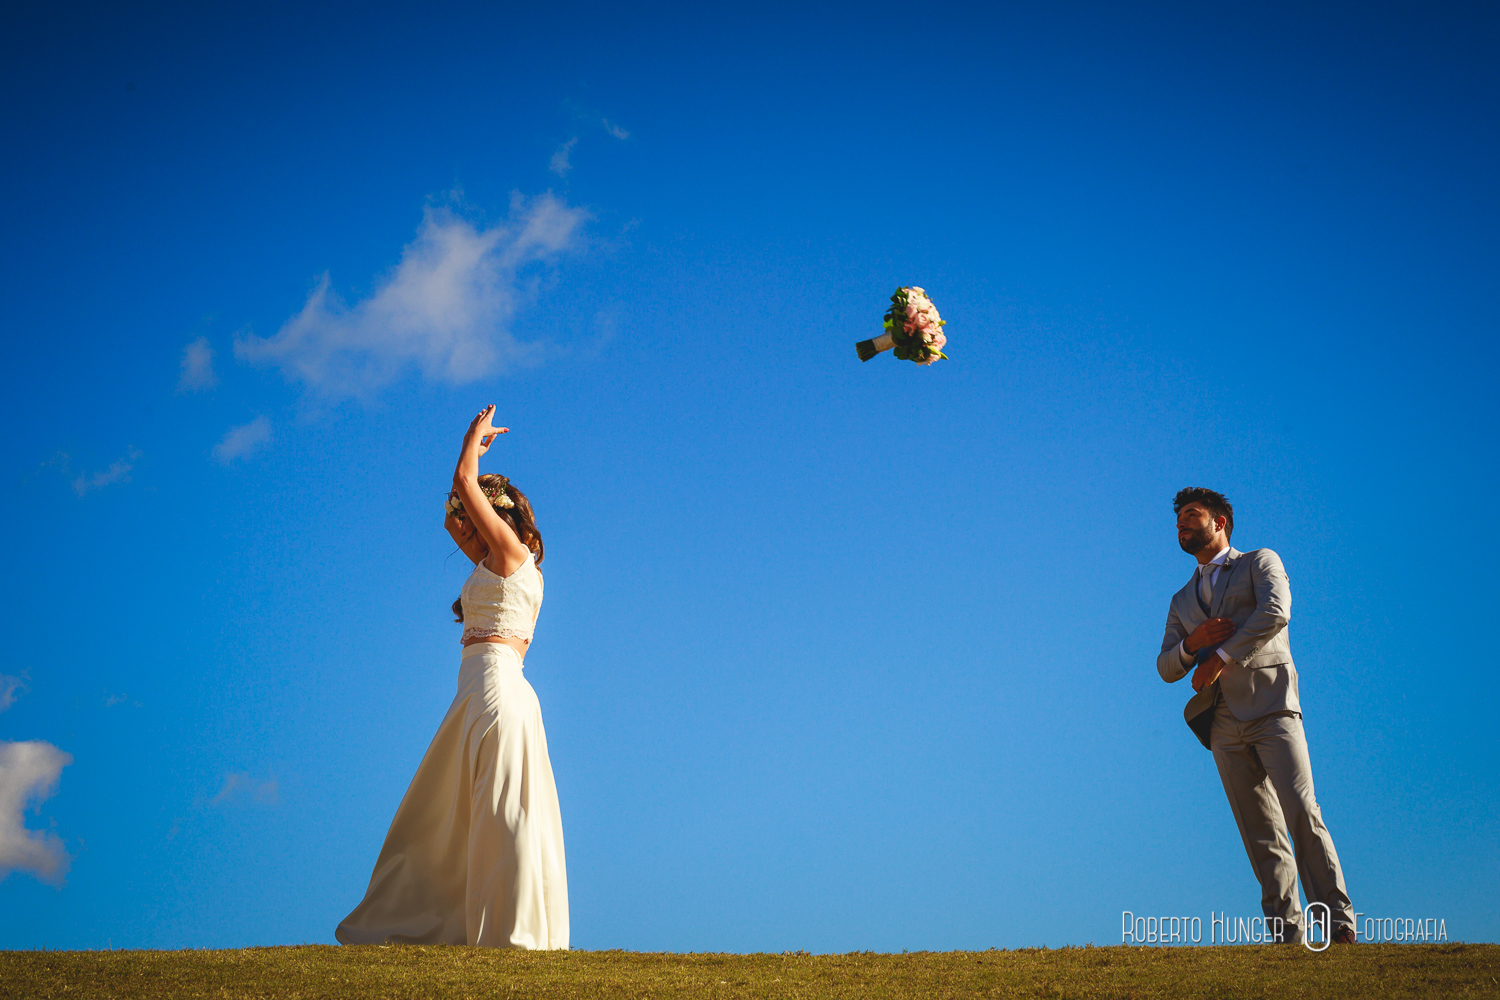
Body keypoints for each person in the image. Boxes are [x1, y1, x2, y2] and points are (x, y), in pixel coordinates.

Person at [336, 405, 568, 949]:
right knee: (445, 816)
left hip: (495, 690)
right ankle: (463, 926)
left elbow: (463, 485)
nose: (467, 523)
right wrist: (465, 486)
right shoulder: (491, 560)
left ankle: (510, 938)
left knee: (500, 816)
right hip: (475, 693)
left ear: (501, 517)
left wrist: (472, 442)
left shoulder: (514, 557)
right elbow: (451, 514)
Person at [1156, 487, 1354, 945]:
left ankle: (1338, 925)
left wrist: (1219, 655)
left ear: (1220, 522)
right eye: (1178, 519)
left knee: (1302, 812)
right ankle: (1287, 934)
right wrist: (1193, 643)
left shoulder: (1260, 561)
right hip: (1222, 723)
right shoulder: (1181, 599)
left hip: (1273, 707)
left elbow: (1276, 611)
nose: (1181, 524)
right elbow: (1166, 665)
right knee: (1259, 832)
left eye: (1191, 515)